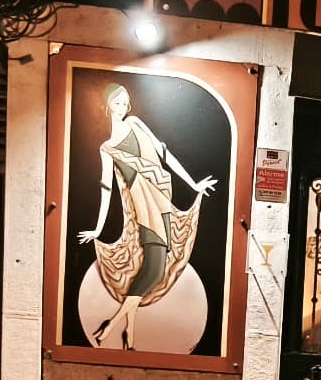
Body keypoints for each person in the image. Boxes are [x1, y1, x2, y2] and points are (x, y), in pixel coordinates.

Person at [77, 82, 217, 349]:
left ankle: (129, 332)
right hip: (143, 210)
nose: (121, 107)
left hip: (162, 199)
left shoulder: (136, 123)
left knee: (153, 268)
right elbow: (106, 187)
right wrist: (97, 228)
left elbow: (165, 154)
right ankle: (113, 324)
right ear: (107, 105)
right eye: (116, 102)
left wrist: (193, 183)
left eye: (124, 102)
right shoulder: (107, 148)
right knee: (154, 269)